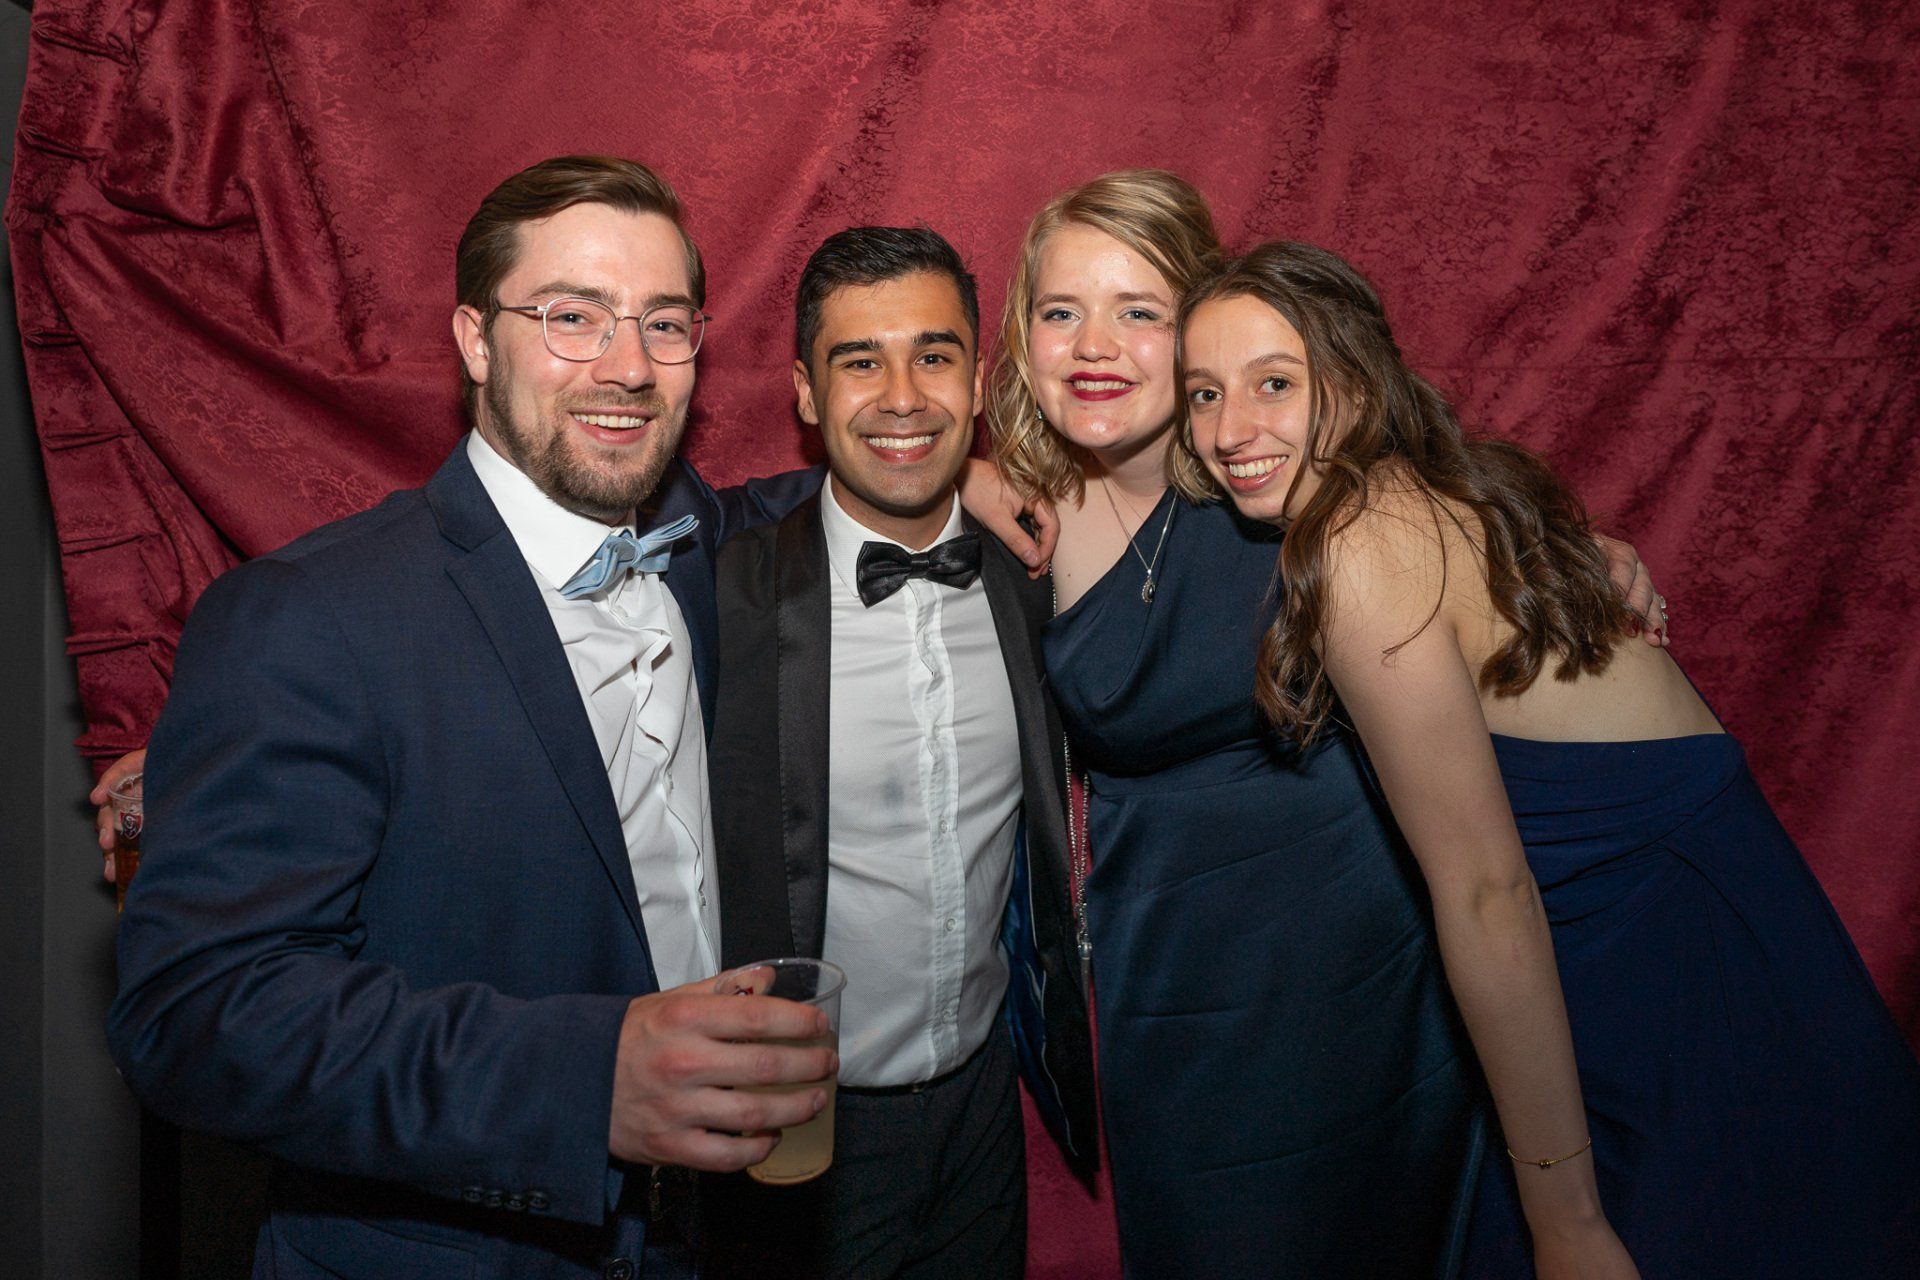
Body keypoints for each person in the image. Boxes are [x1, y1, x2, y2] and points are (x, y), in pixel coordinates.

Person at [108, 154, 845, 1280]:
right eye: (571, 317)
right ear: (474, 340)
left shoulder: (700, 552)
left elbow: (796, 503)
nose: (628, 367)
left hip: (709, 1236)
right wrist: (584, 1081)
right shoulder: (309, 617)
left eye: (664, 324)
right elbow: (197, 1012)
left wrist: (959, 485)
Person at [1176, 240, 1920, 1279]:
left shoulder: (1359, 543)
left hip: (1681, 984)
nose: (1228, 430)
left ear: (1358, 381)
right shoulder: (1412, 492)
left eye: (1274, 383)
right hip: (1686, 951)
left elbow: (1489, 893)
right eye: (1204, 393)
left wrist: (1564, 1218)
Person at [984, 171, 1668, 1277]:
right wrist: (963, 483)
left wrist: (1569, 553)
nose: (1094, 345)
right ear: (1023, 334)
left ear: (1203, 323)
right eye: (1061, 311)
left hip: (1367, 987)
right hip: (1172, 1001)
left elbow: (1456, 523)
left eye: (1139, 310)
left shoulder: (1291, 474)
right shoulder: (1019, 509)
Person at [701, 226, 1095, 1277]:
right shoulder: (727, 591)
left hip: (984, 1108)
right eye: (860, 361)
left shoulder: (1034, 576)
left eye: (933, 355)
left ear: (978, 378)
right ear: (804, 391)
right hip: (799, 1124)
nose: (904, 397)